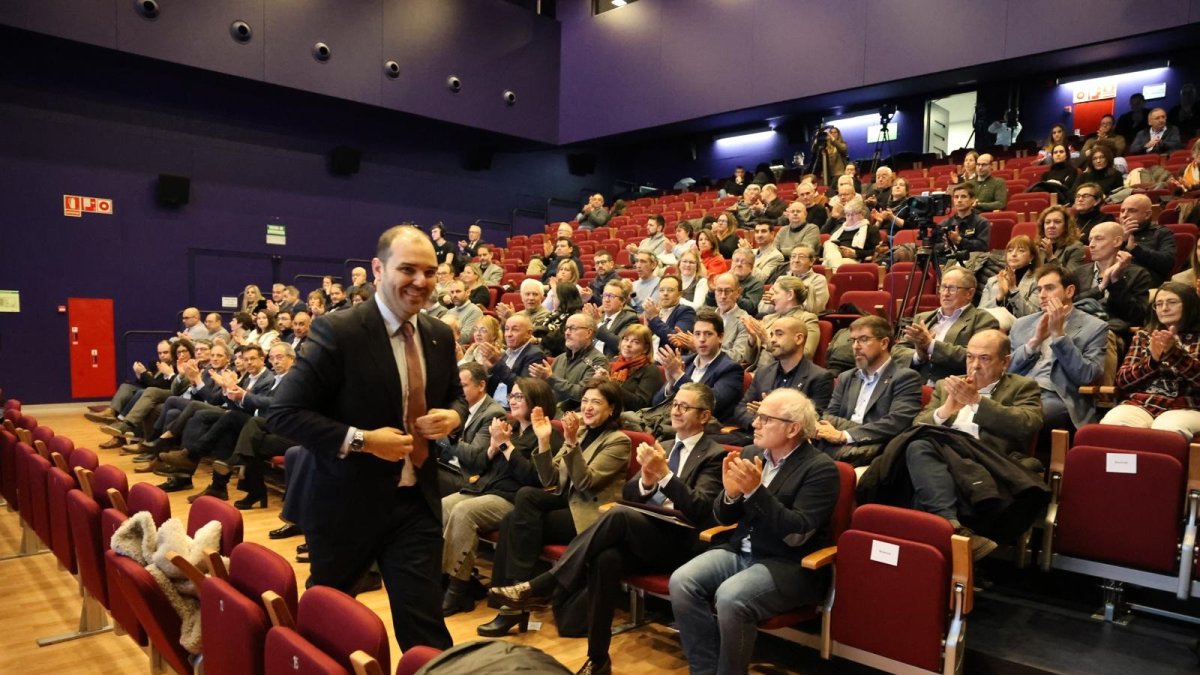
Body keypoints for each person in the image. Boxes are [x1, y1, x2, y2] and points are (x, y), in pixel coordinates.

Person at [267, 225, 468, 651]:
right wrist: (362, 440)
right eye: (408, 269)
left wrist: (454, 415)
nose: (420, 281)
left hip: (416, 505)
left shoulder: (437, 334)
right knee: (328, 624)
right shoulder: (338, 331)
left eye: (430, 272)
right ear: (377, 269)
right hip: (346, 505)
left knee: (425, 629)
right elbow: (282, 412)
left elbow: (454, 396)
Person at [489, 383, 726, 675]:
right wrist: (647, 482)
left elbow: (700, 508)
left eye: (684, 407)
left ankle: (543, 584)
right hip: (645, 531)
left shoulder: (715, 454)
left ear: (704, 416)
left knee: (618, 515)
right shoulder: (662, 446)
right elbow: (630, 492)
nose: (675, 411)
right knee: (605, 558)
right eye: (674, 404)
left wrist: (664, 477)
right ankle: (598, 660)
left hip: (678, 542)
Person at [670, 388, 840, 675]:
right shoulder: (750, 453)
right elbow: (722, 516)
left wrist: (755, 492)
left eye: (765, 419)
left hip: (788, 563)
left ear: (793, 429)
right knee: (681, 581)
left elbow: (796, 534)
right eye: (757, 417)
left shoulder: (820, 469)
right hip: (741, 551)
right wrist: (732, 495)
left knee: (730, 597)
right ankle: (704, 670)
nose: (754, 424)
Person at [860, 330, 1045, 560]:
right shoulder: (945, 386)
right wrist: (946, 410)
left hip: (985, 461)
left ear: (1005, 362)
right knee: (920, 453)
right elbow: (919, 425)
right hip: (941, 460)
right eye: (970, 357)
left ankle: (922, 559)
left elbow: (1027, 424)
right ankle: (951, 538)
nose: (975, 365)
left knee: (919, 454)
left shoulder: (1022, 387)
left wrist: (977, 401)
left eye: (984, 358)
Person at [480, 379, 631, 637]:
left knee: (517, 515)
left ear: (612, 409)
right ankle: (518, 597)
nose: (588, 406)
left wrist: (570, 443)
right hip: (567, 502)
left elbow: (585, 482)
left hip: (591, 515)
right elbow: (549, 480)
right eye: (584, 400)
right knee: (517, 510)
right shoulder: (581, 432)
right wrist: (544, 441)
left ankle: (515, 602)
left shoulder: (619, 441)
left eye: (596, 402)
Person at [441, 376, 561, 616]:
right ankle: (449, 581)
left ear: (536, 401)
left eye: (519, 397)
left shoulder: (548, 435)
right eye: (512, 396)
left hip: (514, 500)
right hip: (487, 490)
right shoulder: (512, 429)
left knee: (464, 512)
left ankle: (457, 591)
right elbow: (483, 468)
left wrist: (506, 446)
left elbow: (535, 479)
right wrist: (492, 450)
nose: (512, 401)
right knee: (444, 505)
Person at [1009, 264, 1109, 439]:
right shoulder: (1021, 324)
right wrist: (1034, 342)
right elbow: (1004, 368)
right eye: (1039, 289)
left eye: (1049, 288)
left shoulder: (1094, 327)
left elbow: (1087, 375)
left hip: (1056, 396)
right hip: (1016, 391)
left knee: (1018, 416)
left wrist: (1059, 336)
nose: (1042, 295)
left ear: (1069, 291)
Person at [813, 315, 923, 466]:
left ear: (884, 343)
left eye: (863, 339)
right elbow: (829, 416)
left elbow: (896, 423)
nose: (856, 346)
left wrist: (844, 435)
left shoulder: (905, 378)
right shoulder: (846, 377)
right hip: (838, 447)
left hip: (874, 456)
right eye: (853, 340)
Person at [1100, 282, 1200, 439]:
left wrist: (1175, 354)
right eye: (1159, 304)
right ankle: (1125, 464)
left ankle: (1160, 465)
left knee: (1166, 430)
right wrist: (1152, 361)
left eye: (1172, 302)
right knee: (1113, 425)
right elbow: (1122, 381)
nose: (1164, 308)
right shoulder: (1144, 336)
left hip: (1187, 407)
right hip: (1142, 404)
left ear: (1190, 304)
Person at [726, 316, 834, 446]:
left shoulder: (819, 377)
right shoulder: (764, 372)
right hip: (753, 435)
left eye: (779, 334)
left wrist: (769, 415)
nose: (772, 340)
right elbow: (741, 409)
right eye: (771, 334)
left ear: (798, 338)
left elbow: (812, 422)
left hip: (789, 445)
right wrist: (762, 419)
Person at [892, 267, 1000, 384]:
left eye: (952, 288)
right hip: (914, 385)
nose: (945, 293)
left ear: (969, 293)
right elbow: (897, 351)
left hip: (953, 388)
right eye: (943, 287)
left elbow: (975, 359)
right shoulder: (923, 318)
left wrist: (931, 345)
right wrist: (919, 356)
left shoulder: (984, 320)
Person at [654, 309, 744, 424]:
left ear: (720, 337)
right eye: (697, 334)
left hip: (704, 429)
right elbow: (655, 403)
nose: (701, 339)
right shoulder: (685, 362)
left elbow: (711, 404)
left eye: (708, 334)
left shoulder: (731, 369)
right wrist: (671, 384)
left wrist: (678, 375)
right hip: (670, 422)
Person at [1072, 221, 1153, 340]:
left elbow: (1136, 317)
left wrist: (1116, 281)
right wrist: (1100, 288)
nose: (1091, 245)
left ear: (1117, 241)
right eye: (1090, 239)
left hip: (1112, 335)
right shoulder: (1079, 273)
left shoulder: (1138, 274)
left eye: (1098, 239)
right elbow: (1070, 304)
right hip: (1078, 330)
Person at [537, 313, 610, 413]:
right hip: (549, 411)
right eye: (566, 328)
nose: (567, 333)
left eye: (573, 328)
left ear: (588, 333)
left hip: (574, 417)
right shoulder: (560, 358)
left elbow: (582, 394)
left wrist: (551, 378)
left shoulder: (598, 361)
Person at [592, 324, 666, 411]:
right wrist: (597, 381)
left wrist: (611, 385)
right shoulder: (614, 362)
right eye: (626, 339)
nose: (628, 344)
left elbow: (640, 405)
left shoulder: (650, 370)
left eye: (635, 342)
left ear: (645, 348)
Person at [480, 314, 544, 409]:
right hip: (492, 405)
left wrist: (497, 363)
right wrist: (488, 369)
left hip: (512, 409)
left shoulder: (535, 355)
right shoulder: (506, 353)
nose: (508, 334)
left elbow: (524, 388)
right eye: (506, 329)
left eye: (515, 329)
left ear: (529, 333)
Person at [979, 236, 1042, 330]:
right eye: (1010, 250)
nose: (1014, 254)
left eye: (1021, 250)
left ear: (1031, 257)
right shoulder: (992, 281)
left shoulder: (1038, 280)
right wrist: (999, 297)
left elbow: (1032, 316)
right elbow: (980, 314)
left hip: (1023, 331)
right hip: (992, 330)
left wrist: (1013, 290)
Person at [1119, 193, 1177, 286]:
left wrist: (1135, 249)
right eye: (1122, 211)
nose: (1124, 215)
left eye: (1132, 211)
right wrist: (1121, 242)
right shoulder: (1112, 233)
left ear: (1147, 214)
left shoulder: (1161, 232)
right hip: (1112, 283)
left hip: (1144, 285)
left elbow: (1167, 263)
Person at [821, 197, 880, 270]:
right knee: (829, 244)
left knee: (828, 264)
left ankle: (835, 271)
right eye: (848, 215)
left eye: (853, 214)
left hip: (855, 260)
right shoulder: (840, 229)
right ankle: (836, 270)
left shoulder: (871, 229)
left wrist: (855, 253)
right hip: (837, 258)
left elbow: (876, 251)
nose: (850, 218)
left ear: (862, 214)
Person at [643, 274, 696, 347]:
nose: (665, 293)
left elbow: (676, 339)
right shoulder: (655, 311)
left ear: (679, 294)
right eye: (661, 290)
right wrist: (646, 325)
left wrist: (654, 318)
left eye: (670, 290)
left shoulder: (686, 312)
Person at [941, 183, 991, 254]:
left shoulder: (981, 222)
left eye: (963, 196)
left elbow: (983, 246)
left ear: (972, 200)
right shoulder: (945, 223)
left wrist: (960, 240)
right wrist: (946, 244)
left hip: (973, 260)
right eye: (956, 197)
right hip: (949, 260)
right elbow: (936, 246)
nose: (959, 200)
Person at [1035, 205, 1086, 273]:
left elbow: (1072, 277)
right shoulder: (1038, 246)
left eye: (1057, 222)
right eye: (1047, 222)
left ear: (1066, 226)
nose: (1051, 226)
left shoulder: (1075, 247)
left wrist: (1051, 257)